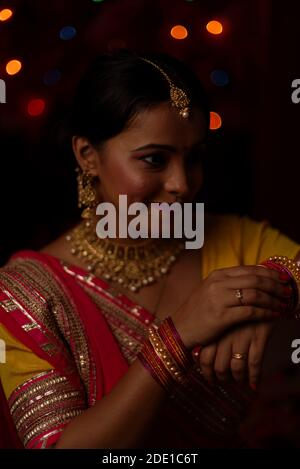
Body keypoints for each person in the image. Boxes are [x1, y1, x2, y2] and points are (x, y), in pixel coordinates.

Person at [0, 49, 299, 449]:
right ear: (87, 155)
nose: (182, 183)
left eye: (194, 158)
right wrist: (178, 338)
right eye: (154, 159)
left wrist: (272, 290)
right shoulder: (26, 294)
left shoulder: (233, 240)